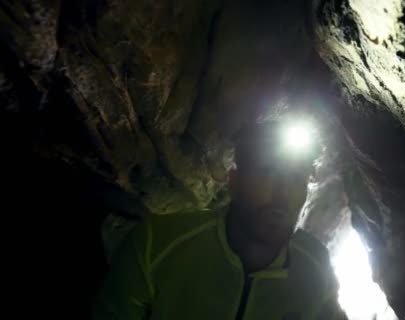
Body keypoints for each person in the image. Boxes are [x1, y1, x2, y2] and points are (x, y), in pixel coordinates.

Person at [93, 120, 346, 320]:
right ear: (233, 183)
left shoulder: (315, 269)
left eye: (296, 179)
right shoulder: (158, 246)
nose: (283, 193)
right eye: (267, 173)